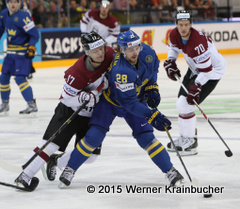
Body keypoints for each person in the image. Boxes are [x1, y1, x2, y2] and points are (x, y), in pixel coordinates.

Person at [58, 30, 184, 188]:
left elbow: (152, 73)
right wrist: (151, 115)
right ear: (121, 50)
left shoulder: (148, 53)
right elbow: (129, 104)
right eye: (130, 49)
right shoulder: (120, 70)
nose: (135, 52)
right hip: (111, 103)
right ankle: (69, 169)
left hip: (136, 100)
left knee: (146, 138)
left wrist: (152, 87)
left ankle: (170, 171)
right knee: (93, 138)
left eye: (137, 47)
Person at [14, 31, 116, 190]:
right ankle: (25, 175)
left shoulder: (110, 54)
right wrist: (83, 97)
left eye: (101, 48)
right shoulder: (76, 73)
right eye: (95, 50)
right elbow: (65, 98)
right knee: (50, 145)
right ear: (87, 52)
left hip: (92, 115)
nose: (100, 53)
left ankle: (57, 161)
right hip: (70, 111)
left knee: (90, 156)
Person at [163, 10, 227, 156]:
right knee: (181, 104)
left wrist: (197, 85)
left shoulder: (197, 43)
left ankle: (190, 140)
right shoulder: (174, 34)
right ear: (176, 25)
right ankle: (185, 137)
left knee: (186, 104)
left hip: (212, 72)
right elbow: (173, 48)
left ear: (191, 24)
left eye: (186, 24)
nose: (183, 28)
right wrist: (171, 62)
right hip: (195, 68)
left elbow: (208, 71)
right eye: (180, 25)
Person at [0, 0, 39, 115]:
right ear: (7, 3)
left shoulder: (23, 16)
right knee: (3, 78)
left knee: (20, 79)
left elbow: (35, 34)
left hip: (22, 54)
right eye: (10, 2)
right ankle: (5, 104)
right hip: (10, 53)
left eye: (15, 2)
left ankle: (31, 104)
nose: (13, 4)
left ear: (18, 3)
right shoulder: (3, 14)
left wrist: (31, 48)